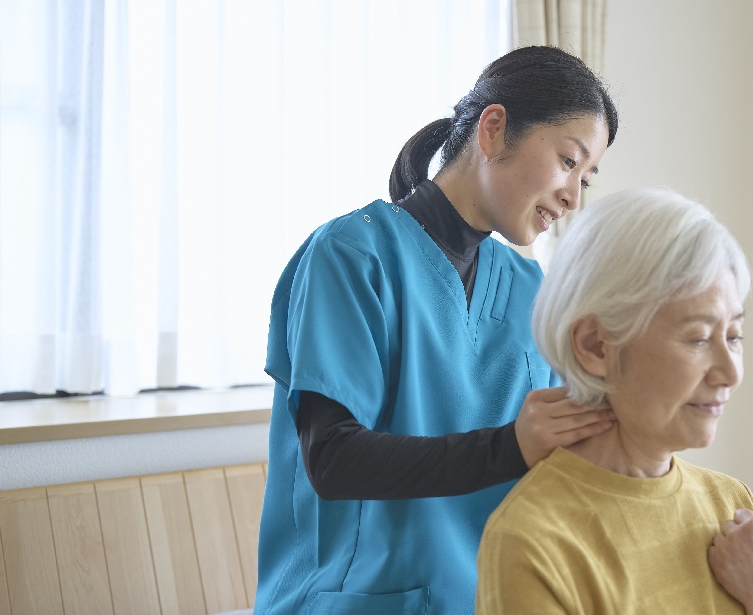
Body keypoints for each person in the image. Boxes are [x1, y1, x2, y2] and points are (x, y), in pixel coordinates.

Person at [254, 46, 620, 615]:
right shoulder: (351, 256)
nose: (574, 196)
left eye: (588, 178)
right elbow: (331, 459)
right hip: (349, 602)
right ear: (494, 129)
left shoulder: (531, 289)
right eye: (569, 162)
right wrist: (510, 446)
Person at [476, 187, 753, 614]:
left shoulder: (730, 507)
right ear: (596, 346)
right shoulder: (533, 540)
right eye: (700, 339)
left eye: (734, 336)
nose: (731, 373)